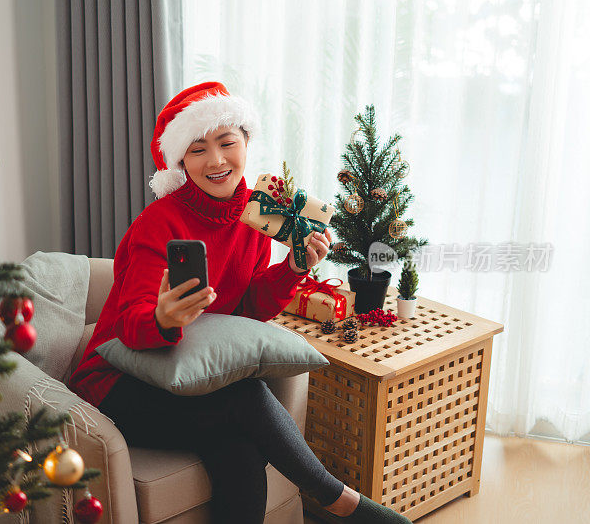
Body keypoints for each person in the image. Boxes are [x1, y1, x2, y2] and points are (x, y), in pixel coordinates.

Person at [67, 82, 410, 524]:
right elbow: (130, 326)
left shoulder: (257, 215)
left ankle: (340, 504)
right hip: (117, 384)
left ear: (246, 142)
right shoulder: (159, 223)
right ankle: (340, 502)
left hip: (194, 376)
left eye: (227, 143)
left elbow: (247, 308)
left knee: (242, 453)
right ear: (179, 162)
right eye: (197, 149)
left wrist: (293, 268)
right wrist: (163, 318)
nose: (215, 160)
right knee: (246, 397)